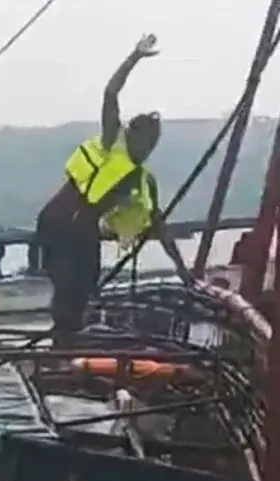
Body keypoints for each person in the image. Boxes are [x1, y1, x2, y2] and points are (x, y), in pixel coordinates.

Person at [34, 33, 192, 347]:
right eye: (145, 140)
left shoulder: (142, 180)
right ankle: (60, 349)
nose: (148, 149)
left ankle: (68, 346)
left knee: (85, 291)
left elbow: (159, 224)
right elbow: (110, 92)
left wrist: (184, 272)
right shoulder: (111, 141)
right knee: (67, 291)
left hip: (84, 231)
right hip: (59, 221)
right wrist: (135, 56)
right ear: (132, 134)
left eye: (153, 144)